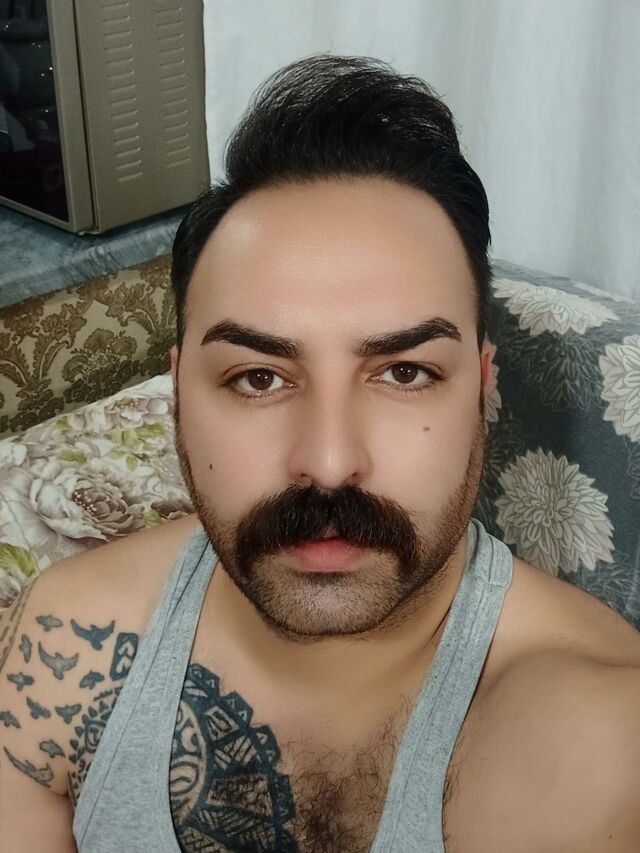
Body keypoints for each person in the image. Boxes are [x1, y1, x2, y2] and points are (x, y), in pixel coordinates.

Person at [1, 54, 639, 853]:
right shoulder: (66, 641)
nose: (330, 462)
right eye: (258, 376)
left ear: (482, 388)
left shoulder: (605, 746)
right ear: (179, 395)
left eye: (405, 373)